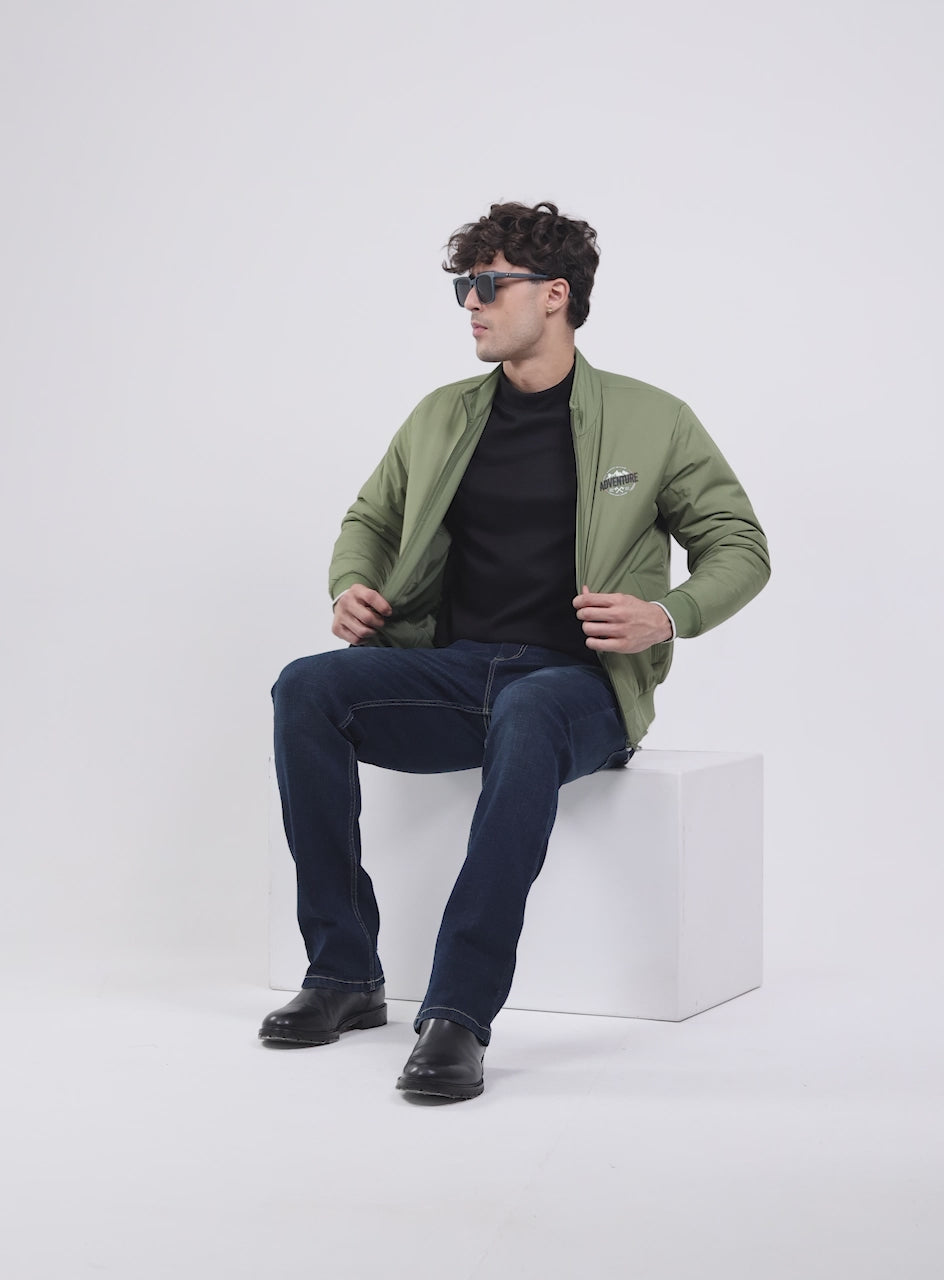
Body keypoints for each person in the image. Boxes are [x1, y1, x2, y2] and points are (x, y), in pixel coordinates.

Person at [261, 201, 770, 1101]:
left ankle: (458, 1012)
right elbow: (370, 517)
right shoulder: (442, 416)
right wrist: (351, 584)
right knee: (307, 688)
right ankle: (343, 973)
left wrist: (668, 615)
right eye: (465, 286)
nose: (472, 302)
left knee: (532, 707)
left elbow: (739, 544)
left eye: (490, 284)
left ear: (556, 295)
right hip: (459, 671)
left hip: (582, 687)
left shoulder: (653, 420)